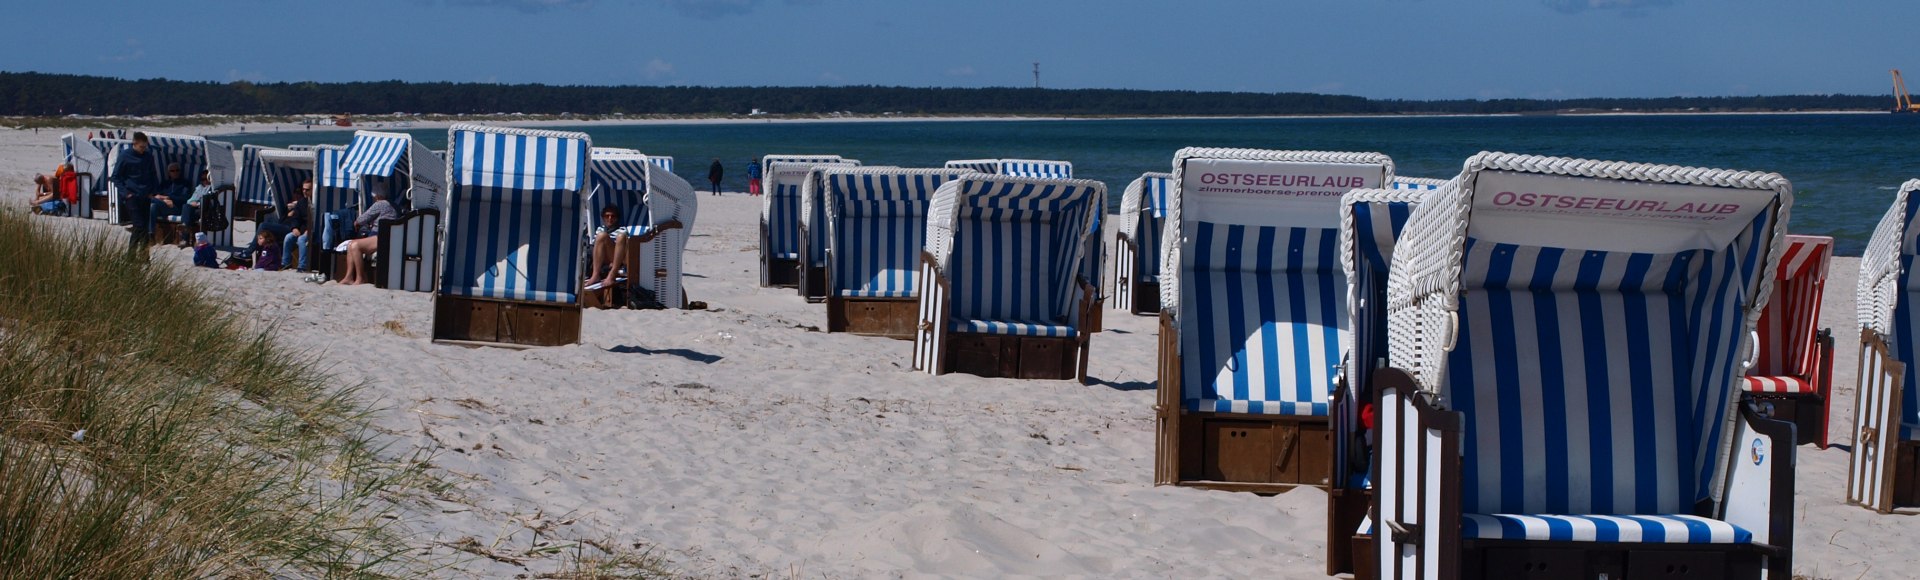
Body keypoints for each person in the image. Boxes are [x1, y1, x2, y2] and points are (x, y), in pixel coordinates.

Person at [111, 132, 160, 252]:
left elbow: (153, 174)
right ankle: (131, 255)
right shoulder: (125, 155)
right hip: (131, 196)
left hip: (145, 196)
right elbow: (115, 176)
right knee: (139, 225)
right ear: (135, 143)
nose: (143, 149)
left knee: (145, 227)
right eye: (141, 147)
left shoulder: (148, 156)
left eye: (145, 147)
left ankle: (144, 256)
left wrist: (153, 191)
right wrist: (125, 193)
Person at [339, 191, 399, 285]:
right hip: (389, 235)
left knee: (354, 245)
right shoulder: (394, 205)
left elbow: (362, 219)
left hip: (381, 236)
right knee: (351, 244)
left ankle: (359, 278)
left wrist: (356, 223)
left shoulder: (380, 204)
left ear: (377, 196)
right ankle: (349, 277)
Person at [583, 206, 624, 290]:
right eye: (607, 216)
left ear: (617, 218)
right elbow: (594, 247)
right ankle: (593, 274)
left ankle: (596, 275)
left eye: (613, 216)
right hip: (601, 259)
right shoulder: (600, 228)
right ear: (603, 217)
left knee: (603, 236)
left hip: (615, 259)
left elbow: (623, 250)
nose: (610, 218)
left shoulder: (622, 230)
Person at [150, 163, 191, 244]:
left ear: (180, 171)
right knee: (153, 205)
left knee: (152, 201)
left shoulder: (185, 183)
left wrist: (169, 198)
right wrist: (165, 200)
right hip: (163, 206)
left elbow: (185, 199)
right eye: (172, 171)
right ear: (168, 173)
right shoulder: (165, 183)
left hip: (175, 207)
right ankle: (151, 235)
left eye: (177, 170)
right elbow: (158, 194)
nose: (175, 172)